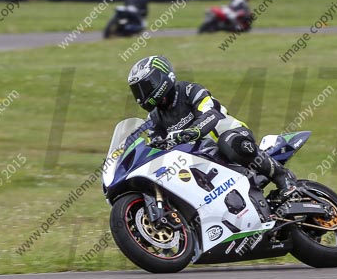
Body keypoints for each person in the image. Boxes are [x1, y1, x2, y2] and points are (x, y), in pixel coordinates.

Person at [121, 55, 296, 197]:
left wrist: (193, 131)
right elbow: (156, 146)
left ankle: (283, 177)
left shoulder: (189, 90)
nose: (141, 95)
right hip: (200, 158)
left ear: (162, 78)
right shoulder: (154, 118)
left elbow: (211, 114)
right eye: (137, 91)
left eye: (145, 87)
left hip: (231, 135)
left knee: (228, 142)